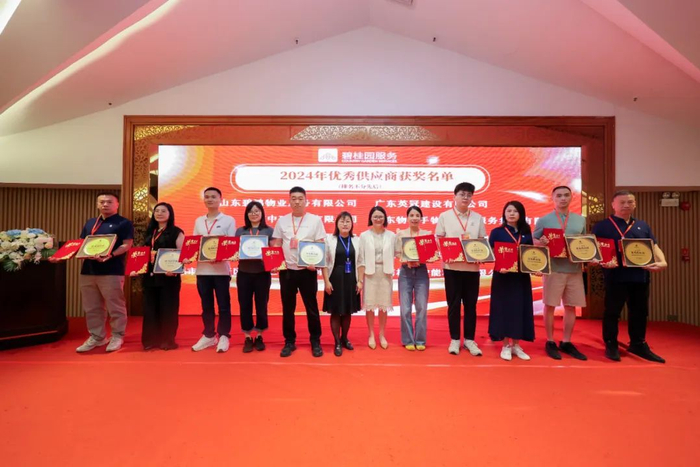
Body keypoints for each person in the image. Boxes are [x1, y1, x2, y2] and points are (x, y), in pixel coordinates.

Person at [592, 190, 667, 363]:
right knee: (612, 312)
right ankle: (611, 343)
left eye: (630, 202)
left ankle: (638, 343)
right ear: (613, 205)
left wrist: (663, 261)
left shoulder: (642, 225)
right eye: (622, 202)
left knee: (640, 311)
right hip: (615, 276)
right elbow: (593, 249)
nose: (626, 205)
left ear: (635, 204)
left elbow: (653, 246)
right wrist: (596, 260)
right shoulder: (602, 226)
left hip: (640, 276)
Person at [65, 193, 134, 353]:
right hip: (88, 271)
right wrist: (64, 255)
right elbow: (82, 244)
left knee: (115, 306)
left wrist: (110, 255)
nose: (105, 204)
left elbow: (127, 245)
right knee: (92, 307)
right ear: (97, 204)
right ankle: (97, 337)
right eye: (102, 202)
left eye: (109, 202)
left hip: (112, 270)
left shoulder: (124, 223)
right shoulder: (91, 223)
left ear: (117, 204)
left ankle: (117, 336)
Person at [533, 186, 588, 361]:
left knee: (571, 306)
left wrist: (588, 258)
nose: (563, 198)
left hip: (574, 269)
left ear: (571, 197)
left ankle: (566, 341)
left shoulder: (580, 220)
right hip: (553, 269)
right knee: (550, 306)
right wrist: (540, 242)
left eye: (566, 195)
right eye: (559, 195)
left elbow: (585, 243)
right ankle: (550, 341)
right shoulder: (544, 220)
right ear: (553, 198)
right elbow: (533, 240)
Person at [271, 186, 327, 358]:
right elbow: (276, 243)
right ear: (289, 201)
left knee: (311, 307)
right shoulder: (282, 221)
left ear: (306, 201)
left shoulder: (315, 220)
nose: (297, 202)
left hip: (307, 271)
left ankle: (315, 341)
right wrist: (274, 262)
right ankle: (289, 341)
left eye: (300, 198)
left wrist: (316, 263)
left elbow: (321, 244)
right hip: (287, 271)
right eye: (293, 198)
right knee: (288, 308)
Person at [435, 182, 486, 356]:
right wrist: (447, 252)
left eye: (469, 195)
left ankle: (470, 340)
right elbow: (439, 239)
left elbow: (481, 241)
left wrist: (481, 255)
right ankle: (455, 339)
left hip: (472, 269)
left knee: (471, 305)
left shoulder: (478, 218)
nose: (465, 197)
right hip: (452, 267)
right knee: (454, 304)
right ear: (455, 196)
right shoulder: (444, 216)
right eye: (462, 194)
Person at [189, 187, 236, 353]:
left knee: (224, 305)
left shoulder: (228, 220)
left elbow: (231, 244)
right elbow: (195, 243)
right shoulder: (199, 221)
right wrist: (190, 255)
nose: (210, 199)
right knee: (206, 305)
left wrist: (222, 255)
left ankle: (224, 335)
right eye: (207, 197)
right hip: (202, 270)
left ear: (220, 199)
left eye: (213, 197)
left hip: (221, 271)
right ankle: (209, 335)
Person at [488, 201, 535, 361]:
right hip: (503, 277)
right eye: (508, 211)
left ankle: (516, 344)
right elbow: (491, 253)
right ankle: (505, 345)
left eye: (515, 211)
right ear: (504, 213)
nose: (512, 214)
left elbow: (530, 255)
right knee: (504, 309)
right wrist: (500, 264)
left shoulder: (526, 233)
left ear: (521, 214)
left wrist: (536, 268)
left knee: (520, 309)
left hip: (520, 277)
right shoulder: (497, 232)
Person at [141, 202, 184, 350]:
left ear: (170, 214)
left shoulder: (176, 232)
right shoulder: (149, 232)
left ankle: (167, 340)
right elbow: (142, 252)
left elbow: (181, 254)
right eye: (157, 211)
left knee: (168, 309)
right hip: (150, 276)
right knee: (150, 308)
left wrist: (175, 269)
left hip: (169, 276)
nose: (159, 213)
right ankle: (150, 341)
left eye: (163, 211)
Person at [322, 211, 363, 357]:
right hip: (334, 278)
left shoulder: (357, 240)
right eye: (342, 221)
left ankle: (345, 338)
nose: (345, 224)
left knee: (347, 311)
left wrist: (360, 281)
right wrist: (326, 281)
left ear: (352, 224)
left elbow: (361, 262)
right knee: (335, 311)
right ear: (337, 224)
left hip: (351, 278)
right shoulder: (329, 240)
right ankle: (337, 342)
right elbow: (325, 262)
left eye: (348, 221)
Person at [235, 201, 274, 353]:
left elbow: (274, 251)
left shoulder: (269, 231)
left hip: (262, 274)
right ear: (247, 214)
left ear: (262, 213)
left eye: (257, 211)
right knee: (244, 304)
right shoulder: (240, 231)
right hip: (244, 273)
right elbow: (235, 250)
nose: (254, 214)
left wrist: (273, 260)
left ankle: (259, 335)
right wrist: (233, 254)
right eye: (251, 211)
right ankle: (247, 336)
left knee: (261, 305)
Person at [358, 206, 396, 349]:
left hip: (385, 273)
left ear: (385, 218)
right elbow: (360, 258)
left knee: (383, 306)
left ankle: (382, 334)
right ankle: (371, 334)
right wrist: (360, 279)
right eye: (375, 216)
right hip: (369, 274)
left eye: (381, 216)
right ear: (370, 218)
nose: (378, 219)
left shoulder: (392, 236)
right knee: (370, 306)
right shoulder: (364, 236)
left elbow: (398, 252)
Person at [395, 206, 431, 351]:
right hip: (405, 272)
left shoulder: (427, 234)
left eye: (417, 215)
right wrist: (406, 261)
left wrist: (424, 259)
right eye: (412, 215)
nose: (414, 218)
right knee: (405, 308)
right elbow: (397, 253)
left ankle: (420, 340)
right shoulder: (401, 234)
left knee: (422, 307)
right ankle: (408, 339)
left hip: (422, 272)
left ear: (421, 218)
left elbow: (431, 254)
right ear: (407, 217)